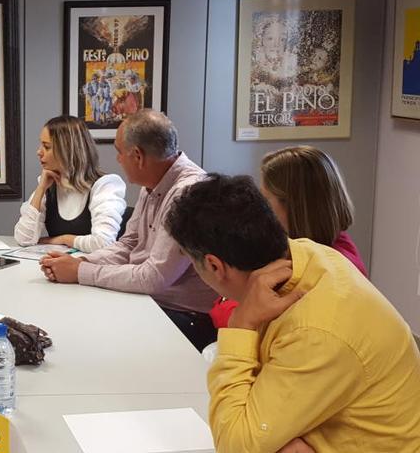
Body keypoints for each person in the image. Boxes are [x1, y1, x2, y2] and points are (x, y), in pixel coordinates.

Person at [165, 174, 420, 453]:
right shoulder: (308, 255)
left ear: (214, 265)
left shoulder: (314, 331)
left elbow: (235, 445)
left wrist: (240, 326)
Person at [40, 109, 218, 351]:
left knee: (87, 342)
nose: (118, 160)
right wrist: (81, 260)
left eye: (119, 152)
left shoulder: (188, 193)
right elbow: (127, 245)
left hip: (183, 317)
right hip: (151, 302)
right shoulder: (153, 183)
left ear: (138, 156)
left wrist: (80, 271)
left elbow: (154, 278)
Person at [209, 146, 367, 329]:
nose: (260, 209)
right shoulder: (301, 247)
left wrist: (236, 300)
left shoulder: (325, 267)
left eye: (266, 200)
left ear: (294, 207)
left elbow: (236, 318)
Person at [14, 115, 126, 252]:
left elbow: (103, 243)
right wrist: (41, 188)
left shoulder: (105, 185)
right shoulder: (48, 184)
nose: (39, 152)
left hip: (93, 269)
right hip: (58, 268)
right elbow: (23, 239)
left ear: (67, 151)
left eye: (47, 147)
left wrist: (63, 239)